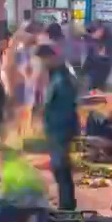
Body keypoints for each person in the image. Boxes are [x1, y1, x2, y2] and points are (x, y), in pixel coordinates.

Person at [39, 44, 78, 210]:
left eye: (43, 60)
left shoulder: (62, 77)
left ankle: (67, 205)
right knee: (60, 169)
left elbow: (65, 106)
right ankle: (66, 203)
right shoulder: (58, 74)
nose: (42, 64)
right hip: (58, 129)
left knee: (61, 168)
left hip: (60, 130)